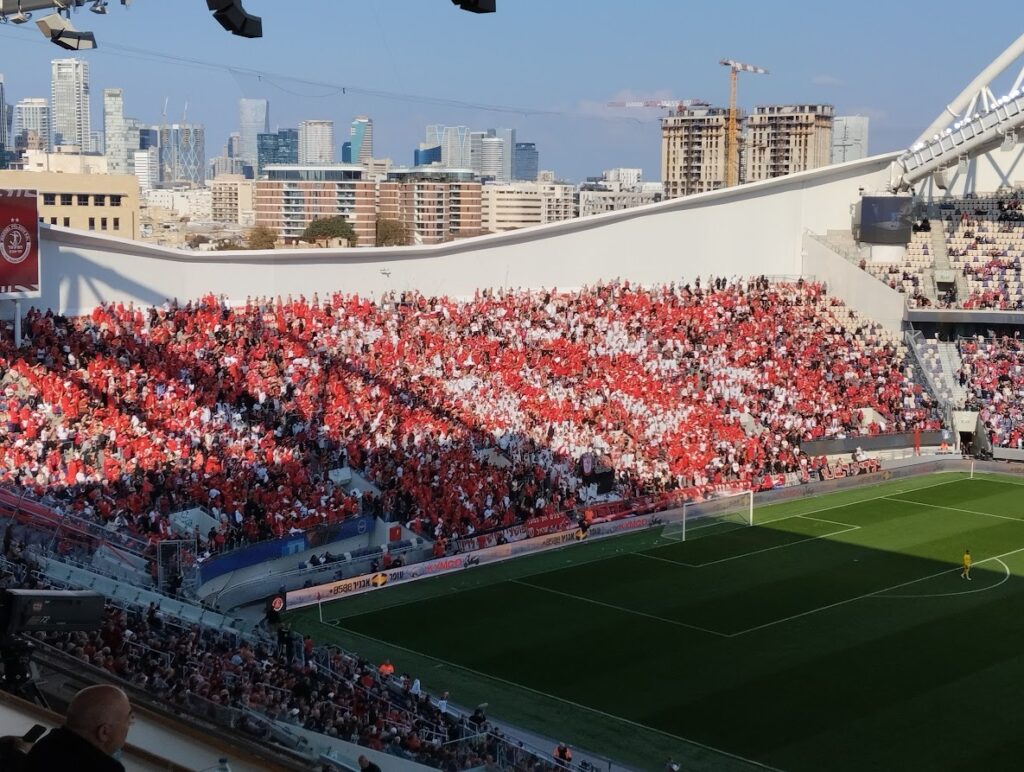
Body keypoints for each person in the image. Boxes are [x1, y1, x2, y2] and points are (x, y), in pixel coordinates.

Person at [24, 684, 133, 772]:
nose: (130, 725)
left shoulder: (45, 745)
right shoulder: (108, 768)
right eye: (128, 719)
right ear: (104, 732)